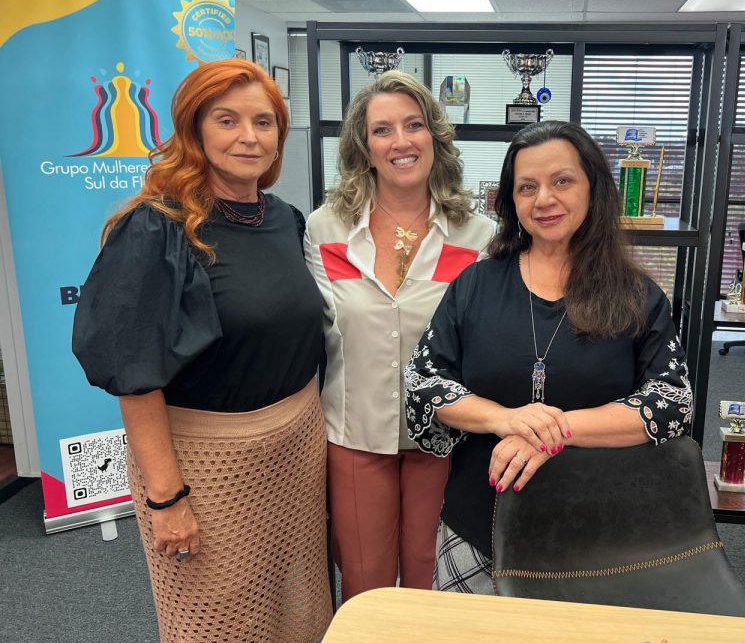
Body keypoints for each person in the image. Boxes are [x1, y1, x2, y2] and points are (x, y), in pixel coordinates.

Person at [72, 59, 331, 642]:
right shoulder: (157, 228)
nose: (249, 136)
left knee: (297, 607)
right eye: (227, 119)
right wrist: (167, 499)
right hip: (206, 466)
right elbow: (135, 376)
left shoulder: (285, 220)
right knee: (217, 620)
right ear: (194, 129)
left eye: (264, 122)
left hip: (296, 447)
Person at [404, 120, 693, 594]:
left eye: (562, 181)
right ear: (511, 202)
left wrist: (553, 432)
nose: (544, 200)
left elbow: (671, 403)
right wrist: (504, 419)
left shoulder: (637, 296)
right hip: (479, 526)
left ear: (593, 188)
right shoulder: (476, 286)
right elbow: (424, 384)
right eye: (527, 187)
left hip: (600, 535)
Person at [304, 70, 495, 602]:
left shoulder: (478, 236)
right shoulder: (326, 230)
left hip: (444, 439)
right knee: (364, 585)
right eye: (383, 130)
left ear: (434, 138)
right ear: (364, 148)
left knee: (431, 582)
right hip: (355, 435)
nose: (401, 141)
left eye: (414, 125)